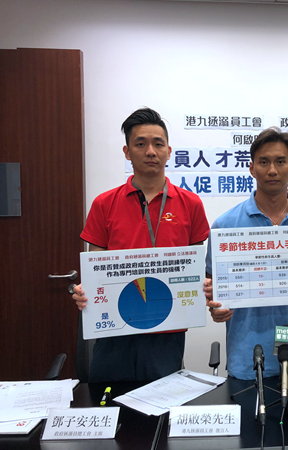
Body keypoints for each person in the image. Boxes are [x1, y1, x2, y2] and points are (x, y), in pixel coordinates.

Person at [72, 108, 210, 383]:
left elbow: (196, 266)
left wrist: (205, 286)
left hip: (167, 329)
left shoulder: (190, 204)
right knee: (110, 401)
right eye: (140, 144)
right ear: (127, 152)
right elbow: (95, 270)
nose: (150, 151)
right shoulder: (104, 204)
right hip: (115, 331)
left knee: (162, 403)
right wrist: (84, 291)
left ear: (169, 151)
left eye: (158, 144)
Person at [204, 127, 288, 380]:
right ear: (252, 168)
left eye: (280, 161)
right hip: (245, 358)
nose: (272, 170)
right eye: (264, 162)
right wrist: (215, 308)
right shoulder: (224, 226)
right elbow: (213, 291)